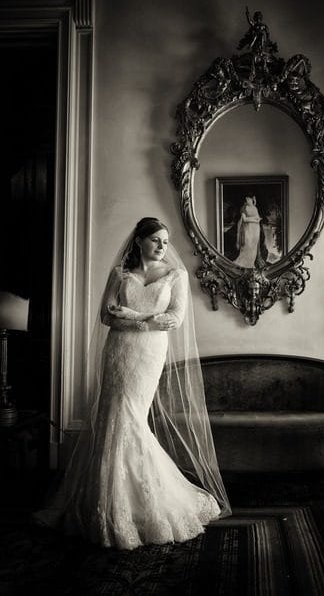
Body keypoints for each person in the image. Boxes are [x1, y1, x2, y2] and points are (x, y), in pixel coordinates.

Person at [34, 217, 231, 550]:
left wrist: (132, 317)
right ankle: (106, 502)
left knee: (131, 419)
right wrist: (129, 317)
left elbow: (174, 319)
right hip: (118, 352)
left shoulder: (175, 275)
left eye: (165, 242)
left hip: (149, 354)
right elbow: (106, 317)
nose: (161, 247)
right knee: (113, 417)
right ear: (138, 241)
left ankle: (146, 503)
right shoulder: (120, 275)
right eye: (155, 240)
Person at [233, 195, 265, 269]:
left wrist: (258, 219)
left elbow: (258, 217)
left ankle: (251, 263)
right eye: (247, 199)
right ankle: (243, 264)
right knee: (248, 245)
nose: (248, 200)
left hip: (256, 229)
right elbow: (244, 219)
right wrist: (255, 219)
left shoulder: (255, 208)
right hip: (248, 229)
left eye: (250, 199)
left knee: (254, 247)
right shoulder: (244, 208)